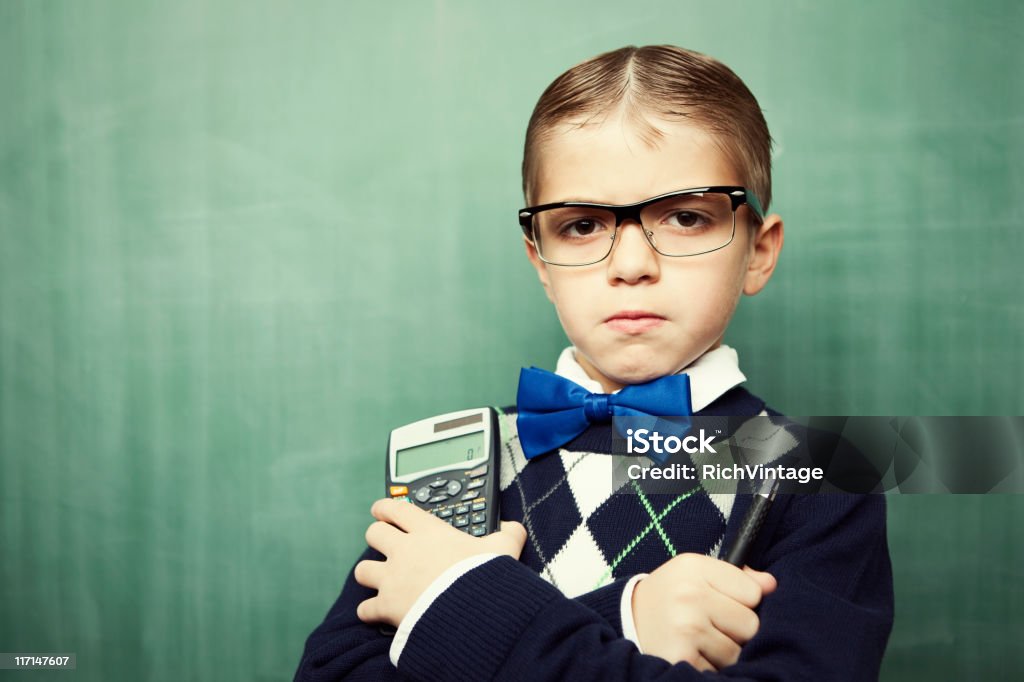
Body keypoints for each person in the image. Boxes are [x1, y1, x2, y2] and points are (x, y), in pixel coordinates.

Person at [294, 45, 894, 681]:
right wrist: (627, 617)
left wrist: (462, 606)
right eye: (581, 225)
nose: (632, 265)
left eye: (687, 216)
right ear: (540, 262)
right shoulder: (462, 460)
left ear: (758, 251)